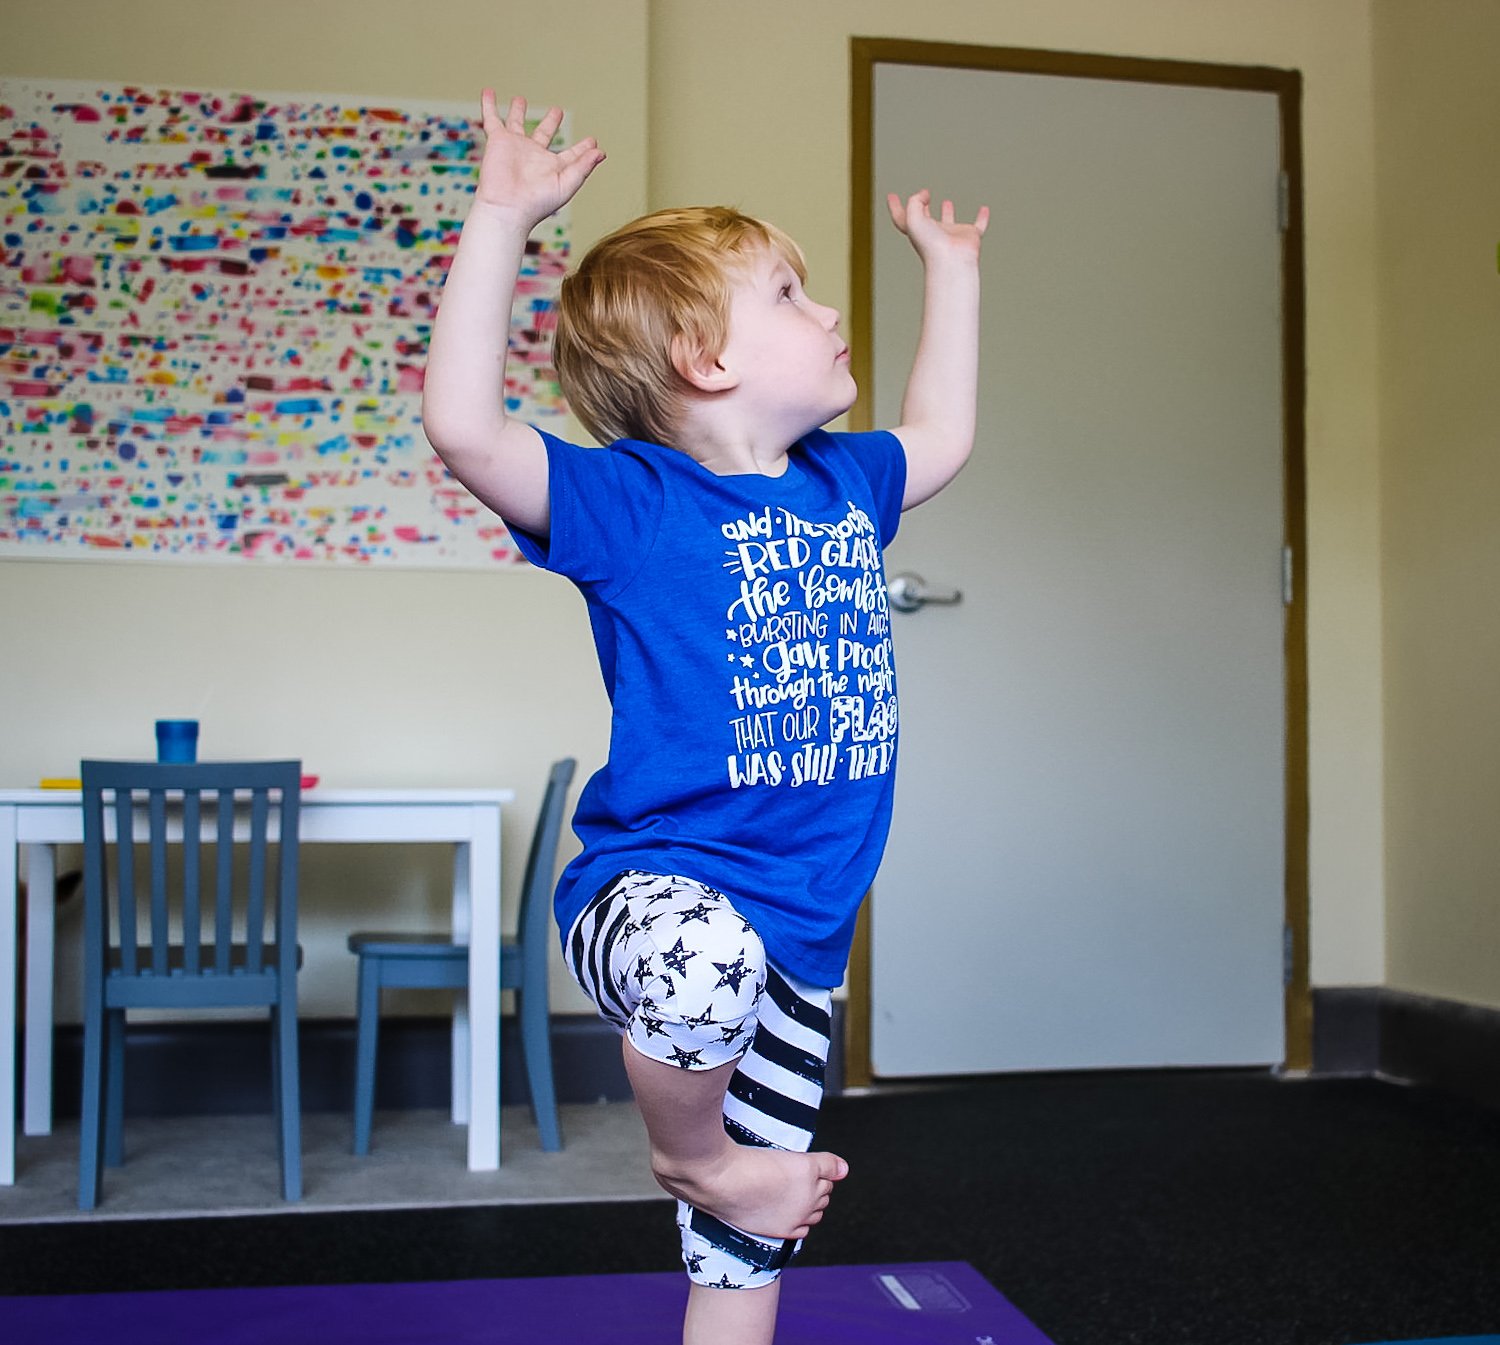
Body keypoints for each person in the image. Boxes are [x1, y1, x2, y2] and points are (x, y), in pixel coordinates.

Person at [423, 91, 987, 1345]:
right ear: (704, 359)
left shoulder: (845, 483)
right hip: (655, 897)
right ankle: (690, 1154)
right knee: (705, 985)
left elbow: (944, 431)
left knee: (748, 1244)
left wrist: (952, 274)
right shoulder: (632, 504)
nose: (827, 311)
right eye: (789, 294)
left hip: (803, 932)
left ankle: (724, 1195)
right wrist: (502, 215)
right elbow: (464, 427)